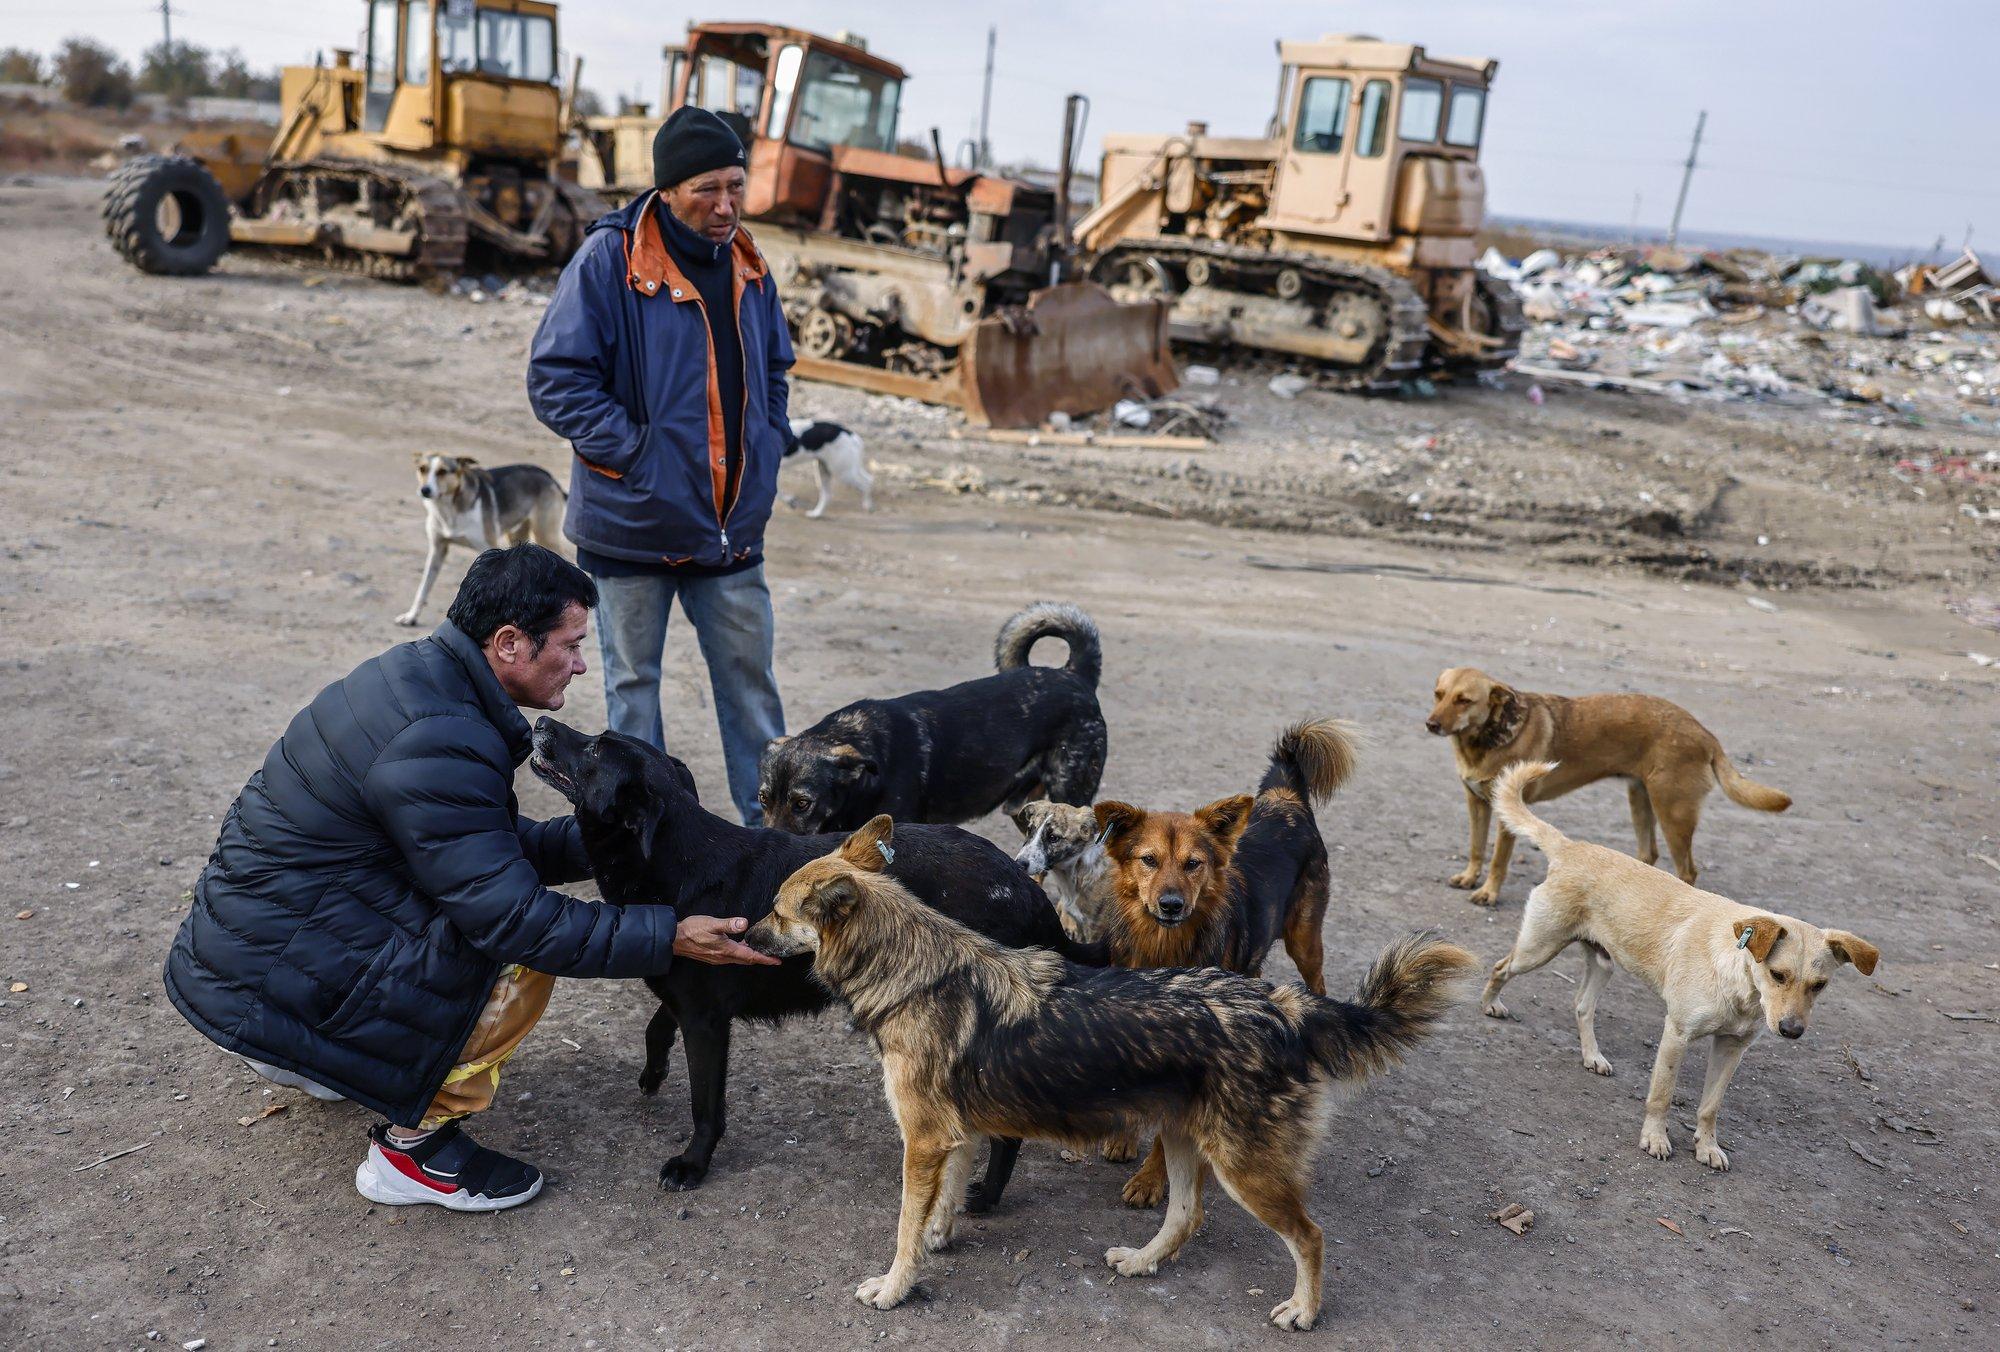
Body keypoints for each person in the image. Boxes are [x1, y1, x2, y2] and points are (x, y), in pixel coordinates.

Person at [163, 545, 777, 1213]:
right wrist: (669, 935)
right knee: (514, 960)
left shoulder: (423, 682)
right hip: (269, 981)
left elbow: (482, 851)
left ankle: (318, 1056)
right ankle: (412, 1152)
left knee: (488, 918)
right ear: (510, 642)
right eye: (570, 645)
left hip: (261, 957)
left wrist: (633, 838)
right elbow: (515, 919)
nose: (578, 663)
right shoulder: (440, 740)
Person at [528, 105, 794, 826]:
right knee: (634, 690)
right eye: (708, 189)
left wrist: (766, 451)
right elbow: (556, 379)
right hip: (632, 526)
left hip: (728, 529)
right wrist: (641, 458)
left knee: (750, 690)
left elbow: (775, 370)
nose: (726, 205)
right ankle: (652, 841)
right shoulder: (610, 260)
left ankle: (772, 840)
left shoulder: (749, 264)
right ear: (668, 189)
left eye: (735, 186)